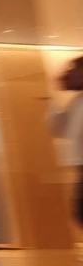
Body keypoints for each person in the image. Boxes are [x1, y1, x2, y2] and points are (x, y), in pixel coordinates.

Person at [49, 55, 83, 225]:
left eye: (73, 69)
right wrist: (54, 95)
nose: (68, 73)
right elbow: (60, 129)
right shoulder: (77, 101)